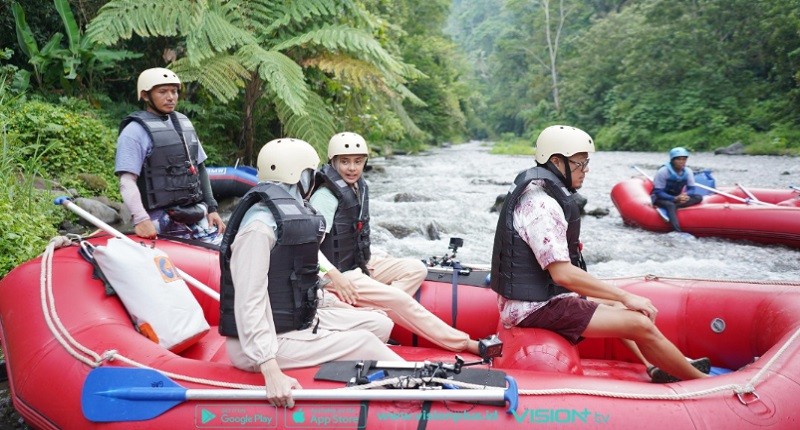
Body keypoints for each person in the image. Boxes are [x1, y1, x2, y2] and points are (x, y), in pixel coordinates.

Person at [490, 125, 710, 383]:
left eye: (586, 162)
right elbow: (561, 273)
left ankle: (655, 365)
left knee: (618, 307)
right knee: (639, 323)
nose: (586, 170)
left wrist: (619, 300)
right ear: (556, 162)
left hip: (536, 299)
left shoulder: (539, 190)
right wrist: (627, 296)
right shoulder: (541, 205)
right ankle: (702, 383)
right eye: (580, 163)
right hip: (533, 308)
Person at [219, 138, 403, 408]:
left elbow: (299, 279)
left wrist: (335, 308)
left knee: (380, 323)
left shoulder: (291, 211)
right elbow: (249, 300)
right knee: (365, 341)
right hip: (261, 345)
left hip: (295, 323)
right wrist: (270, 370)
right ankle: (423, 391)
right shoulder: (258, 228)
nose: (314, 180)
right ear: (299, 175)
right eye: (310, 173)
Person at [309, 132, 485, 356]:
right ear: (333, 162)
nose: (352, 168)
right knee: (399, 298)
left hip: (357, 263)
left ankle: (376, 314)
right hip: (336, 274)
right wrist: (335, 276)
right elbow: (309, 247)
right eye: (345, 162)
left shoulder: (358, 187)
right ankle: (464, 343)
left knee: (416, 269)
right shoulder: (325, 196)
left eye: (358, 161)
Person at [115, 67, 226, 243]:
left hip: (195, 214)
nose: (170, 97)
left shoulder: (183, 123)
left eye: (174, 91)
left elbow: (200, 169)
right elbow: (127, 181)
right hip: (160, 219)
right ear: (145, 96)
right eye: (163, 92)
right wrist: (141, 219)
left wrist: (212, 208)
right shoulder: (134, 132)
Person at [651, 147, 703, 232]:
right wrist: (674, 199)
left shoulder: (688, 171)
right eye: (678, 159)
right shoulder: (663, 171)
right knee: (670, 205)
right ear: (672, 160)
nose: (681, 162)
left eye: (684, 159)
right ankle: (677, 231)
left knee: (698, 197)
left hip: (677, 198)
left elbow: (692, 189)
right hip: (661, 198)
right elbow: (658, 192)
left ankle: (676, 206)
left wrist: (685, 195)